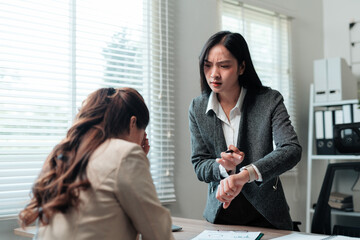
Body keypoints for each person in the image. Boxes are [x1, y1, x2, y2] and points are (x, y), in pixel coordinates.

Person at [19, 87, 174, 240]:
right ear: (132, 123)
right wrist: (137, 159)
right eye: (143, 133)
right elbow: (158, 233)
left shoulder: (64, 154)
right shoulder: (126, 154)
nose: (142, 141)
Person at [188, 31, 302, 230]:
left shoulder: (269, 100)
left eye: (224, 66)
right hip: (220, 216)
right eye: (208, 65)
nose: (214, 73)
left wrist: (245, 174)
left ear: (241, 67)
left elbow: (291, 149)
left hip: (267, 216)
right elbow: (199, 164)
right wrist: (224, 167)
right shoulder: (197, 107)